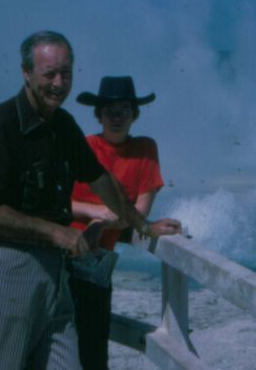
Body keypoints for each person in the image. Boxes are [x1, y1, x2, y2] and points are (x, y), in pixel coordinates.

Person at [0, 31, 181, 370]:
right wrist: (56, 232)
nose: (59, 83)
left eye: (65, 73)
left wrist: (143, 225)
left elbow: (100, 178)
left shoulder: (63, 125)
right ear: (26, 72)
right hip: (8, 263)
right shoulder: (0, 124)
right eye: (49, 73)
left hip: (56, 270)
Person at [69, 76, 165, 370]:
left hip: (97, 260)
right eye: (109, 111)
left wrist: (106, 221)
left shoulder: (145, 149)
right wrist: (96, 212)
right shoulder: (84, 146)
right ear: (98, 115)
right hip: (62, 250)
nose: (117, 117)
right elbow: (57, 203)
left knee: (92, 347)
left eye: (124, 110)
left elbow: (140, 211)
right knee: (61, 340)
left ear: (134, 115)